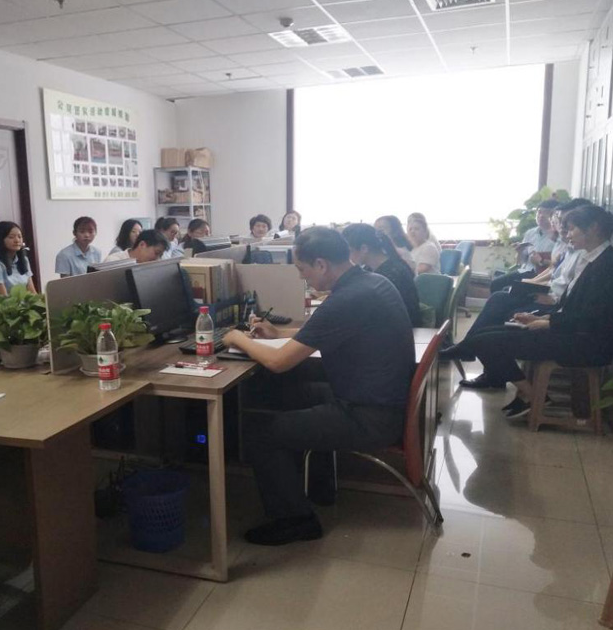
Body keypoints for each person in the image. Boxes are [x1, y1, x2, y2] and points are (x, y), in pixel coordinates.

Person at [222, 227, 414, 546]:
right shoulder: (370, 282)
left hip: (369, 416)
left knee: (260, 434)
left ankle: (296, 520)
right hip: (377, 400)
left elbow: (279, 362)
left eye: (303, 269)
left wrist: (237, 339)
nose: (302, 277)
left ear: (322, 265)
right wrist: (277, 335)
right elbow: (323, 332)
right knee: (279, 393)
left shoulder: (346, 299)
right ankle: (318, 486)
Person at [448, 204, 613, 415]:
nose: (567, 234)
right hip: (569, 330)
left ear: (593, 228)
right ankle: (531, 395)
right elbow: (573, 307)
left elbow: (594, 316)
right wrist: (540, 316)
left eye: (572, 229)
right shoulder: (591, 259)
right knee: (482, 335)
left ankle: (535, 397)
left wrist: (546, 323)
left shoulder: (606, 265)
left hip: (584, 343)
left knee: (485, 343)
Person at [343, 223, 422, 327]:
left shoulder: (393, 272)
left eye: (349, 251)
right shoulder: (370, 268)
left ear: (364, 249)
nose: (346, 257)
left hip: (401, 328)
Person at [490, 200, 559, 293]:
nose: (541, 216)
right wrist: (519, 251)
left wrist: (541, 261)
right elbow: (520, 262)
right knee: (495, 283)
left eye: (546, 213)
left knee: (505, 291)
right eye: (539, 212)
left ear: (554, 216)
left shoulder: (557, 236)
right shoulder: (530, 233)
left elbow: (558, 265)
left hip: (542, 274)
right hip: (525, 271)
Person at [0, 221, 37, 299]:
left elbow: (32, 293)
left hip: (23, 306)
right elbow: (4, 300)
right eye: (11, 237)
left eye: (19, 237)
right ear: (0, 239)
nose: (17, 240)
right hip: (4, 306)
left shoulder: (24, 260)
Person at [103, 229, 168, 263]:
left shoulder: (148, 265)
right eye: (156, 253)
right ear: (142, 245)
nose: (157, 259)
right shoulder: (114, 261)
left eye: (160, 255)